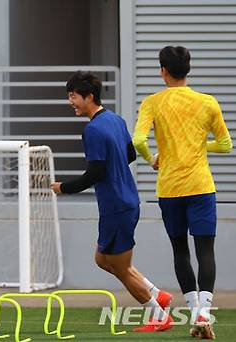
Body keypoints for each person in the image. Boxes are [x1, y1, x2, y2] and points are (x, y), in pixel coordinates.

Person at [51, 71, 173, 333]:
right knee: (102, 259)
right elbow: (129, 154)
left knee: (119, 266)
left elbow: (95, 173)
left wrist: (63, 187)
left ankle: (159, 314)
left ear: (89, 97)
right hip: (124, 201)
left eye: (73, 97)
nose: (70, 102)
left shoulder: (93, 129)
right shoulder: (116, 120)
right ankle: (156, 293)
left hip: (117, 206)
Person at [133, 46, 232, 339]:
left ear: (163, 70)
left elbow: (139, 139)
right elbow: (225, 145)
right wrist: (200, 146)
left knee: (180, 250)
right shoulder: (207, 102)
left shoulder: (152, 102)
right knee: (205, 250)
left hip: (170, 188)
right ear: (188, 69)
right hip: (201, 187)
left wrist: (152, 158)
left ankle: (193, 313)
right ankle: (204, 314)